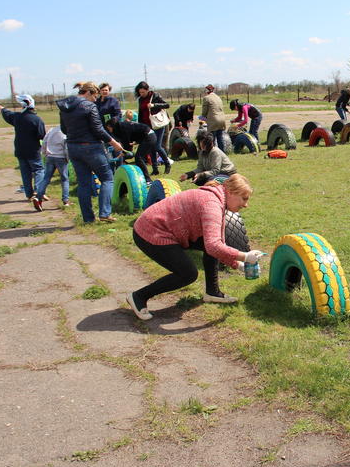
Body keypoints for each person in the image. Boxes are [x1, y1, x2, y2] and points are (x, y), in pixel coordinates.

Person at [126, 174, 265, 320]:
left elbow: (217, 243)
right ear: (230, 192)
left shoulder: (219, 198)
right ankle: (139, 296)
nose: (246, 204)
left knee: (209, 243)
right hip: (150, 231)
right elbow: (214, 246)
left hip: (168, 228)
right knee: (187, 274)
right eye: (244, 198)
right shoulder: (212, 204)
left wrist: (238, 264)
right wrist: (245, 256)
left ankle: (212, 292)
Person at [57, 82, 125, 223]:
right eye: (95, 96)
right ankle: (105, 213)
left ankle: (88, 218)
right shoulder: (89, 106)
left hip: (73, 148)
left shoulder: (64, 107)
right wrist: (114, 143)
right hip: (91, 147)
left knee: (84, 184)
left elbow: (64, 130)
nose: (96, 100)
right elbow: (98, 130)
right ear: (88, 92)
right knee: (107, 178)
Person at [0, 95, 46, 209]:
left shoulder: (17, 117)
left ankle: (29, 194)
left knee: (25, 173)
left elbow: (7, 114)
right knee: (39, 170)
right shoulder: (36, 119)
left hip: (20, 150)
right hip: (33, 151)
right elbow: (42, 135)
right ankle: (38, 193)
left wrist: (2, 109)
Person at [104, 118, 162, 183]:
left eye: (108, 128)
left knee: (138, 158)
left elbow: (127, 146)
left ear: (110, 126)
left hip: (149, 136)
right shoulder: (121, 127)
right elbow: (132, 135)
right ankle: (146, 178)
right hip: (148, 135)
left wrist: (121, 154)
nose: (108, 130)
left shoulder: (122, 128)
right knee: (138, 158)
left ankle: (148, 180)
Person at [135, 81, 172, 170]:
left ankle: (167, 163)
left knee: (157, 146)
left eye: (143, 92)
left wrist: (154, 105)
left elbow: (167, 105)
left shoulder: (155, 96)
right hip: (147, 126)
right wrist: (140, 126)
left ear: (148, 90)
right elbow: (140, 113)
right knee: (151, 147)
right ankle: (155, 168)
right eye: (140, 92)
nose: (141, 94)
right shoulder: (140, 99)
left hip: (158, 125)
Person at [35, 126, 71, 209]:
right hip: (61, 157)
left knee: (46, 178)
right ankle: (65, 200)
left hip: (50, 156)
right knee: (64, 179)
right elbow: (66, 148)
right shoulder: (65, 132)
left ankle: (38, 197)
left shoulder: (51, 130)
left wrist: (44, 152)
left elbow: (44, 142)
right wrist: (67, 158)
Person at [200, 85, 227, 152]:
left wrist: (202, 117)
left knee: (212, 139)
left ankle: (213, 154)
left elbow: (204, 111)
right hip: (222, 120)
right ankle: (222, 154)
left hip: (213, 120)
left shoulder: (206, 98)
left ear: (207, 91)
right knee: (220, 138)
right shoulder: (218, 97)